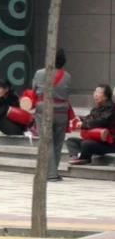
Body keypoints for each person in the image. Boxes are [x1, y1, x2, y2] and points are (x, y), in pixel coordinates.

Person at [32, 49, 73, 182]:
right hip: (62, 112)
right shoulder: (67, 76)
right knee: (58, 142)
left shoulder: (39, 73)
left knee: (47, 141)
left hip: (43, 110)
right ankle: (53, 170)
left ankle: (51, 174)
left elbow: (34, 90)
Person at [67, 85, 115, 165]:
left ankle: (85, 158)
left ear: (106, 96)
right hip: (95, 140)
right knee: (71, 141)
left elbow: (101, 121)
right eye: (95, 92)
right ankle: (81, 155)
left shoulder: (111, 109)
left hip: (108, 143)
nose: (95, 95)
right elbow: (89, 119)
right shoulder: (96, 108)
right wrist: (80, 120)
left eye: (98, 93)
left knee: (86, 144)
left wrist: (84, 124)